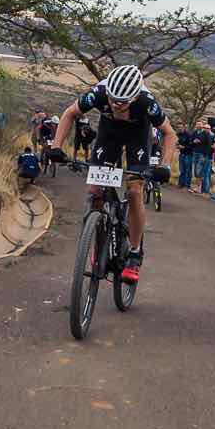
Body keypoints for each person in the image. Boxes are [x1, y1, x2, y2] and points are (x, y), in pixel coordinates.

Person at [52, 64, 178, 287]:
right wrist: (55, 146)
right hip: (109, 133)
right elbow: (70, 113)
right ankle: (97, 239)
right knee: (94, 190)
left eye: (122, 102)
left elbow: (169, 133)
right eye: (112, 99)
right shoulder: (99, 93)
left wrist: (164, 166)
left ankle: (135, 253)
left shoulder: (147, 102)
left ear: (135, 96)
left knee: (134, 190)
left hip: (138, 136)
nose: (115, 105)